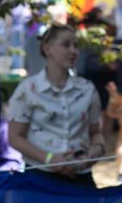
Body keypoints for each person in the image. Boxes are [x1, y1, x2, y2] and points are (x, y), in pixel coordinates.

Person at [7, 24, 105, 185]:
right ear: (47, 48)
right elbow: (14, 137)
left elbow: (96, 133)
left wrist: (95, 152)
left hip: (80, 177)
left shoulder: (87, 89)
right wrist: (50, 159)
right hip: (41, 178)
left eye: (76, 45)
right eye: (66, 45)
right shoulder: (28, 89)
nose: (74, 51)